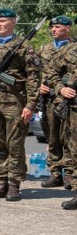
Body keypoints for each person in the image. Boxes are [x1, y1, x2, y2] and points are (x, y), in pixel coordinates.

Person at [0, 8, 40, 201]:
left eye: (3, 21)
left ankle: (14, 185)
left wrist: (30, 104)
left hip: (15, 102)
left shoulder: (23, 46)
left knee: (15, 145)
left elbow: (33, 77)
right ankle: (1, 182)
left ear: (13, 22)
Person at [38, 16, 73, 188]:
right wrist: (39, 86)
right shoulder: (44, 49)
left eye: (58, 26)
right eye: (52, 27)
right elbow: (35, 72)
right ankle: (55, 172)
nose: (54, 29)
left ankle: (69, 174)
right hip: (49, 99)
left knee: (68, 137)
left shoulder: (72, 48)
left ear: (68, 28)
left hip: (68, 99)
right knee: (52, 136)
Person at [51, 42, 77, 209]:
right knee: (75, 152)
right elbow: (52, 72)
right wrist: (61, 89)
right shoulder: (69, 50)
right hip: (75, 110)